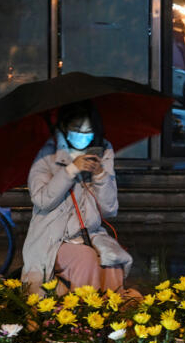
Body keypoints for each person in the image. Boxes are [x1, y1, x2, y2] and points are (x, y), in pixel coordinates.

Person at [20, 101, 133, 294]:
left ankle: (113, 315)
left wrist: (100, 176)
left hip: (90, 234)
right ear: (63, 127)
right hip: (53, 238)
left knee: (113, 260)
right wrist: (71, 170)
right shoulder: (47, 155)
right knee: (85, 259)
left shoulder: (101, 152)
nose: (83, 135)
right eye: (77, 129)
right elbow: (42, 200)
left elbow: (109, 209)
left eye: (88, 130)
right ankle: (82, 316)